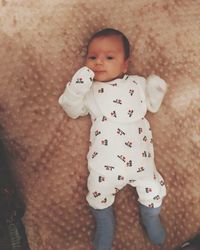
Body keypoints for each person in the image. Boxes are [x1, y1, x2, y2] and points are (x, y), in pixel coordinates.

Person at [58, 28, 167, 250]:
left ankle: (151, 216)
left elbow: (152, 106)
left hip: (141, 162)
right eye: (92, 57)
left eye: (109, 57)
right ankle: (104, 222)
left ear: (125, 65)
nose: (99, 62)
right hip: (105, 163)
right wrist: (75, 91)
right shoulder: (89, 91)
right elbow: (72, 110)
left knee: (153, 188)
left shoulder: (137, 84)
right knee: (97, 192)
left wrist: (156, 90)